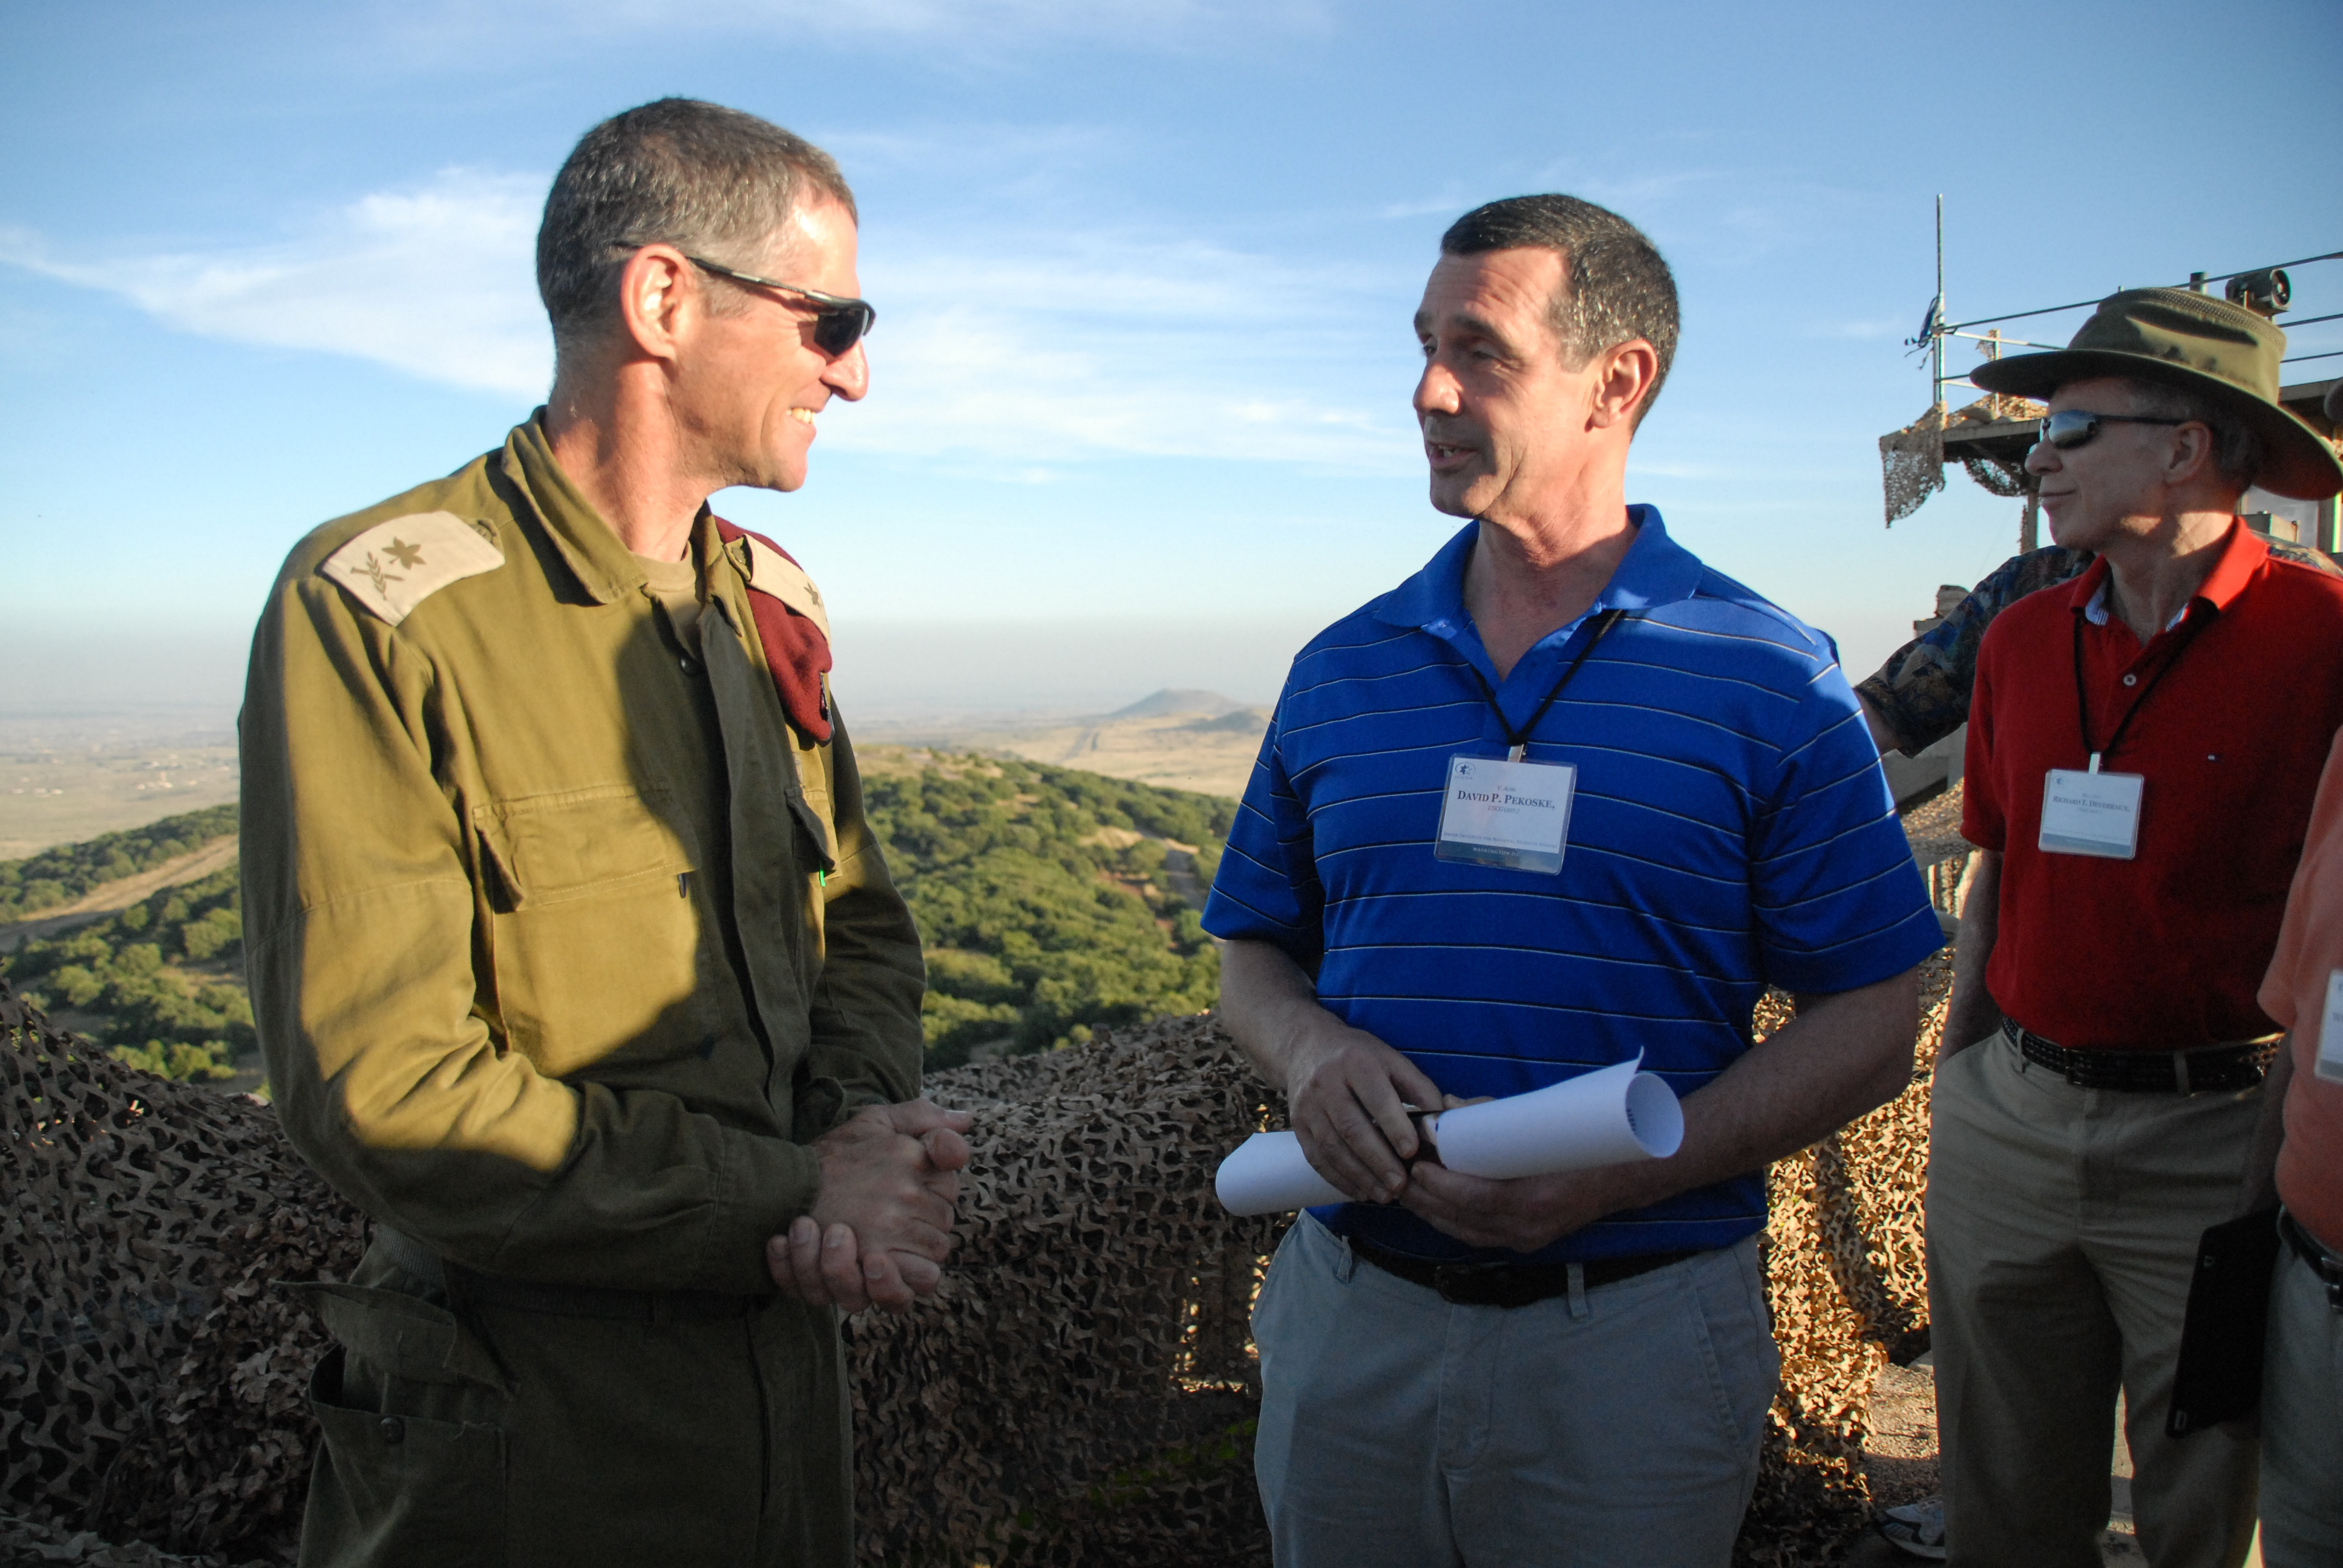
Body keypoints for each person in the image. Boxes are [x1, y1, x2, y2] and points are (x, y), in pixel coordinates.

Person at [240, 99, 969, 1568]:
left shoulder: (773, 607)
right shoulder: (385, 610)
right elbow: (386, 1090)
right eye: (831, 319)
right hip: (523, 1452)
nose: (859, 373)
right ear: (662, 298)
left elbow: (861, 928)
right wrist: (797, 1194)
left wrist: (856, 1134)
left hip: (781, 1412)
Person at [1202, 194, 1944, 1566]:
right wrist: (1309, 1055)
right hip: (1348, 1318)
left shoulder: (1769, 677)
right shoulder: (1340, 669)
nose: (1426, 390)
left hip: (1637, 1343)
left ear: (1618, 381)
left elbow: (1873, 1022)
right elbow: (1252, 956)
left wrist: (1609, 1183)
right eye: (1423, 345)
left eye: (1479, 350)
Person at [1928, 288, 2343, 1568]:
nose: (2036, 455)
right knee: (2003, 1493)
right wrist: (1961, 1066)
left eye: (2067, 425)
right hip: (2011, 1116)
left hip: (2215, 1134)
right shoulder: (2016, 638)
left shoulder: (2325, 637)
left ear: (2185, 446)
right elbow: (1994, 865)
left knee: (2198, 1504)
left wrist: (2275, 1128)